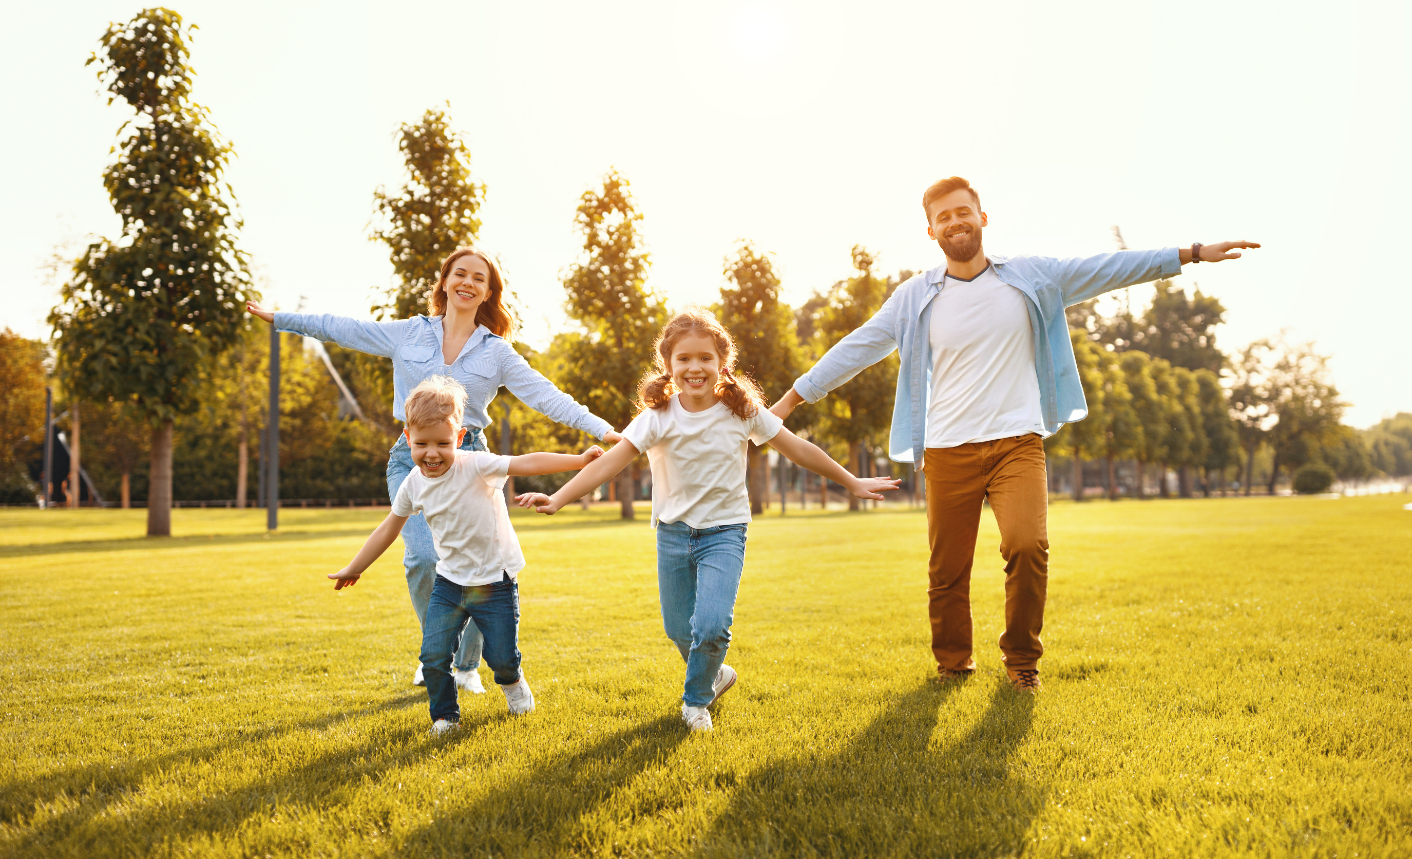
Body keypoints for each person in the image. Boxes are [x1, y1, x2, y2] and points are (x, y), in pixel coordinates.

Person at [769, 176, 1260, 693]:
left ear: (983, 218)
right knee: (947, 572)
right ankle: (953, 664)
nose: (955, 221)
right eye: (944, 217)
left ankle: (1022, 661)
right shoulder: (914, 297)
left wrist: (1193, 253)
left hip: (1016, 444)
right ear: (931, 230)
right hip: (947, 449)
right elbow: (856, 347)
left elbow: (1109, 269)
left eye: (964, 211)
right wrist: (789, 401)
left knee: (1028, 546)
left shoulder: (1031, 277)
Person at [246, 249, 618, 693]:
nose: (467, 282)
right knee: (423, 558)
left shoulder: (496, 351)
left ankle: (464, 666)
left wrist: (603, 430)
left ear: (487, 292)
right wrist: (282, 319)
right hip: (413, 458)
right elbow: (342, 329)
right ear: (444, 282)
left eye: (478, 278)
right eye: (459, 273)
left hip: (473, 463)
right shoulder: (410, 333)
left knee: (486, 566)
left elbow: (546, 395)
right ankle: (437, 650)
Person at [516, 310, 900, 731]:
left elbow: (798, 449)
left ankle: (695, 703)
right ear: (669, 366)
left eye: (704, 358)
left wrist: (849, 480)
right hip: (673, 535)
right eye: (683, 359)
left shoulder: (743, 412)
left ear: (722, 363)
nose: (694, 367)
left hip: (725, 532)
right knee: (680, 630)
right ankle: (717, 676)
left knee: (712, 626)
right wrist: (558, 497)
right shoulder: (656, 417)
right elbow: (609, 464)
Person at [329, 376, 605, 734]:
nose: (432, 453)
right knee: (433, 656)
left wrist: (579, 460)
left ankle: (512, 681)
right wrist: (356, 566)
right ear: (408, 438)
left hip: (495, 581)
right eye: (422, 443)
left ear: (459, 439)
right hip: (450, 582)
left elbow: (526, 463)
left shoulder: (475, 464)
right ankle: (446, 717)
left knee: (501, 657)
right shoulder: (413, 482)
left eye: (442, 443)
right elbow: (389, 528)